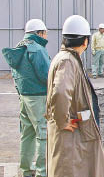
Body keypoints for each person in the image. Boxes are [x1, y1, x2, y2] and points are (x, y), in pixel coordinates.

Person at [45, 15, 104, 177]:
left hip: (76, 125)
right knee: (71, 168)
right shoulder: (68, 61)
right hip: (71, 133)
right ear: (85, 41)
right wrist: (63, 120)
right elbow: (60, 92)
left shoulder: (64, 57)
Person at [2, 19, 50, 177]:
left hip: (24, 97)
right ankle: (42, 172)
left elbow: (16, 75)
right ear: (39, 33)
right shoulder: (37, 49)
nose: (46, 35)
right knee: (43, 135)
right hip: (38, 98)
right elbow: (46, 75)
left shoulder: (19, 48)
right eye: (45, 32)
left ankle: (26, 171)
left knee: (27, 134)